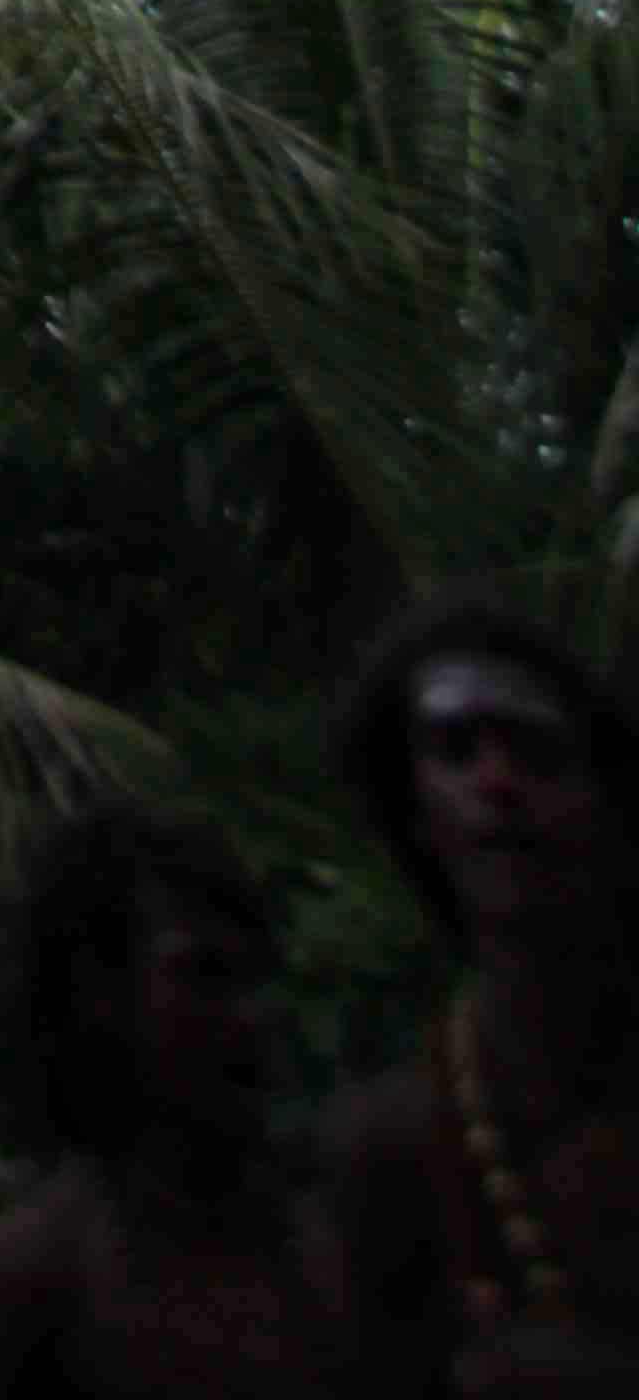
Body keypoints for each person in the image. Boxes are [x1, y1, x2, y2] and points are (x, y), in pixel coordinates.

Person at [320, 591, 639, 1394]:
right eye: (457, 751)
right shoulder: (389, 1147)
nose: (498, 782)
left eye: (537, 752)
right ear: (415, 813)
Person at [0, 802, 327, 1393]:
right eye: (205, 975)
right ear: (99, 998)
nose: (250, 1015)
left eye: (255, 978)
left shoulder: (330, 1234)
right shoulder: (36, 1280)